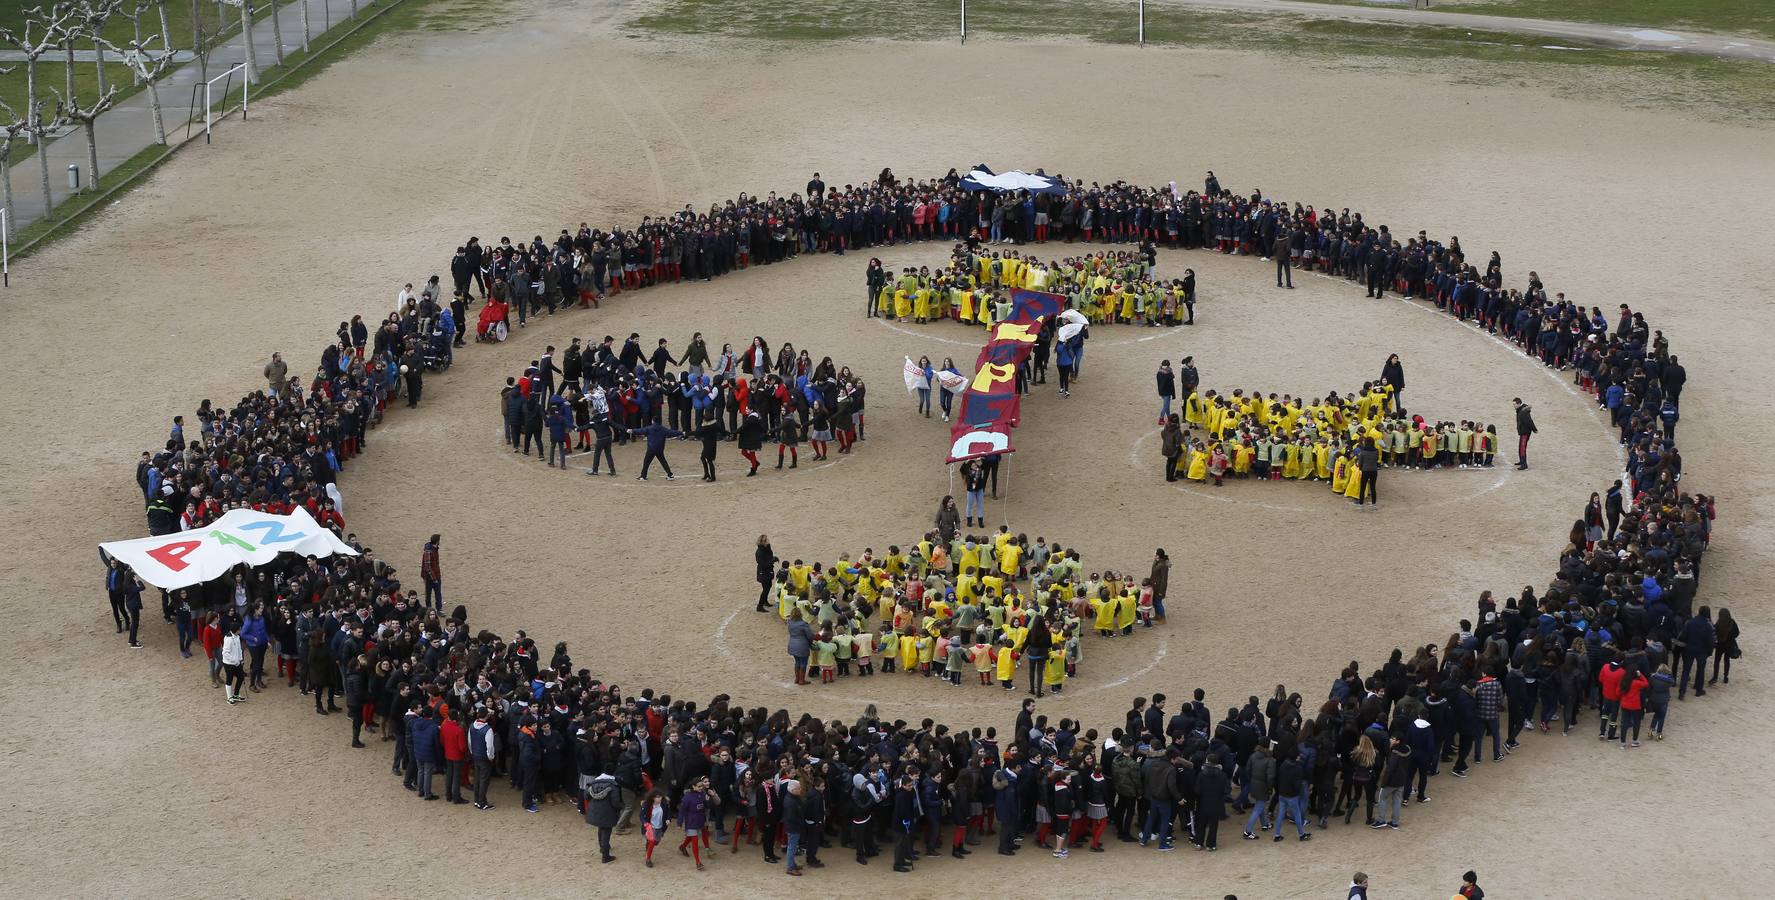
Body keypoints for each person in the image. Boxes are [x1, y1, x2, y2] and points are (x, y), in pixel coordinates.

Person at [585, 771, 623, 864]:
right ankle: (605, 855)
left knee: (601, 829)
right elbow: (615, 803)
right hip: (608, 813)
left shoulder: (593, 783)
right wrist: (621, 807)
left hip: (595, 812)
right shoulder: (613, 786)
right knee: (606, 831)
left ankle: (602, 847)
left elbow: (586, 796)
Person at [1513, 397, 1537, 469]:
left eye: (1514, 404)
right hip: (1523, 432)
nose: (1513, 406)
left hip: (1525, 432)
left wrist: (1534, 429)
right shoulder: (1521, 409)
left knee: (1522, 448)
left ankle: (1524, 464)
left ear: (1519, 403)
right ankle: (1521, 461)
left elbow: (1529, 421)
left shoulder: (1523, 412)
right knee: (1521, 447)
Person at [420, 535, 442, 612]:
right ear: (437, 541)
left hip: (436, 574)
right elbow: (428, 567)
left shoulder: (435, 549)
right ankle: (429, 608)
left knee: (438, 592)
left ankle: (439, 608)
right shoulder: (428, 552)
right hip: (429, 577)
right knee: (428, 593)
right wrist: (434, 579)